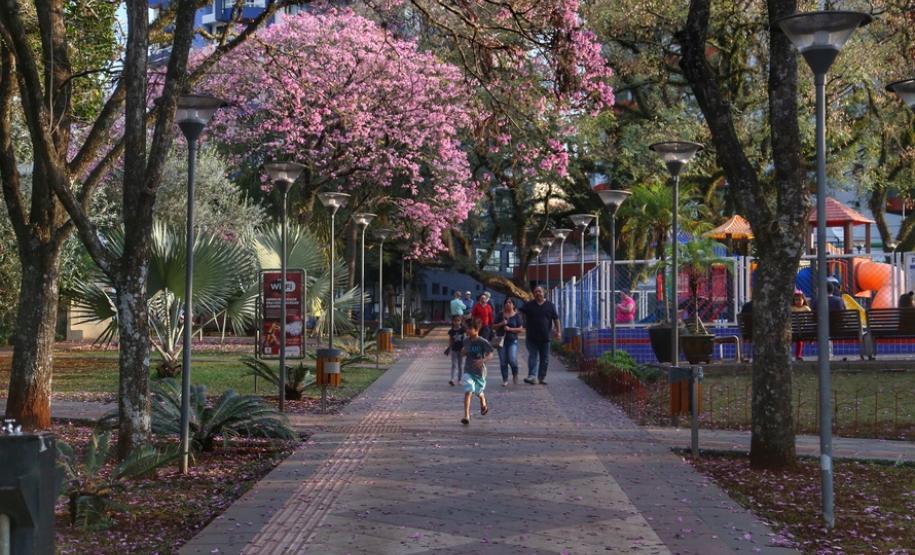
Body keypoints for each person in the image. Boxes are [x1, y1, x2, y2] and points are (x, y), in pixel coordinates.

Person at [519, 285, 561, 385]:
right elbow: (520, 312)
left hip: (545, 337)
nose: (538, 293)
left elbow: (556, 319)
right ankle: (532, 376)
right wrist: (522, 322)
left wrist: (558, 331)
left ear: (544, 293)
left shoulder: (550, 305)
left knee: (545, 359)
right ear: (533, 294)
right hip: (531, 337)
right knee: (533, 356)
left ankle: (541, 377)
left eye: (540, 291)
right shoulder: (529, 305)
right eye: (536, 292)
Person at [460, 318, 492, 425]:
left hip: (480, 372)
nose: (467, 331)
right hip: (468, 370)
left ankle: (483, 400)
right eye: (466, 329)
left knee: (478, 392)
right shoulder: (466, 340)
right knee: (469, 390)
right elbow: (463, 352)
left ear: (477, 329)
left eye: (470, 328)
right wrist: (463, 352)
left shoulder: (483, 342)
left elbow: (491, 354)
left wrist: (483, 360)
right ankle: (466, 416)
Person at [492, 298, 524, 386]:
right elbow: (493, 326)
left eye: (510, 302)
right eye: (506, 302)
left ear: (513, 305)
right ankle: (505, 379)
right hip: (501, 341)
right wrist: (501, 324)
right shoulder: (500, 315)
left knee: (512, 359)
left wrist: (510, 329)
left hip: (512, 340)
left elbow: (521, 329)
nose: (508, 304)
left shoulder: (517, 316)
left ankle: (515, 373)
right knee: (503, 361)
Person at [790, 289, 811, 361]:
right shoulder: (791, 308)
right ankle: (792, 355)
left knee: (799, 340)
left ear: (803, 300)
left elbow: (810, 318)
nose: (798, 301)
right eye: (796, 300)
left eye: (800, 300)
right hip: (793, 328)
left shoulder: (806, 308)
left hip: (802, 329)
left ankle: (798, 355)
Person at [446, 315, 466, 386]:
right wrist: (449, 348)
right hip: (454, 349)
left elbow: (465, 339)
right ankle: (452, 379)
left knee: (460, 365)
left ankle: (459, 380)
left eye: (458, 320)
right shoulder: (451, 331)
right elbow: (450, 340)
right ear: (453, 322)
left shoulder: (463, 330)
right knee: (453, 364)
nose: (457, 322)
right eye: (455, 321)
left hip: (461, 349)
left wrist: (464, 348)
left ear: (461, 321)